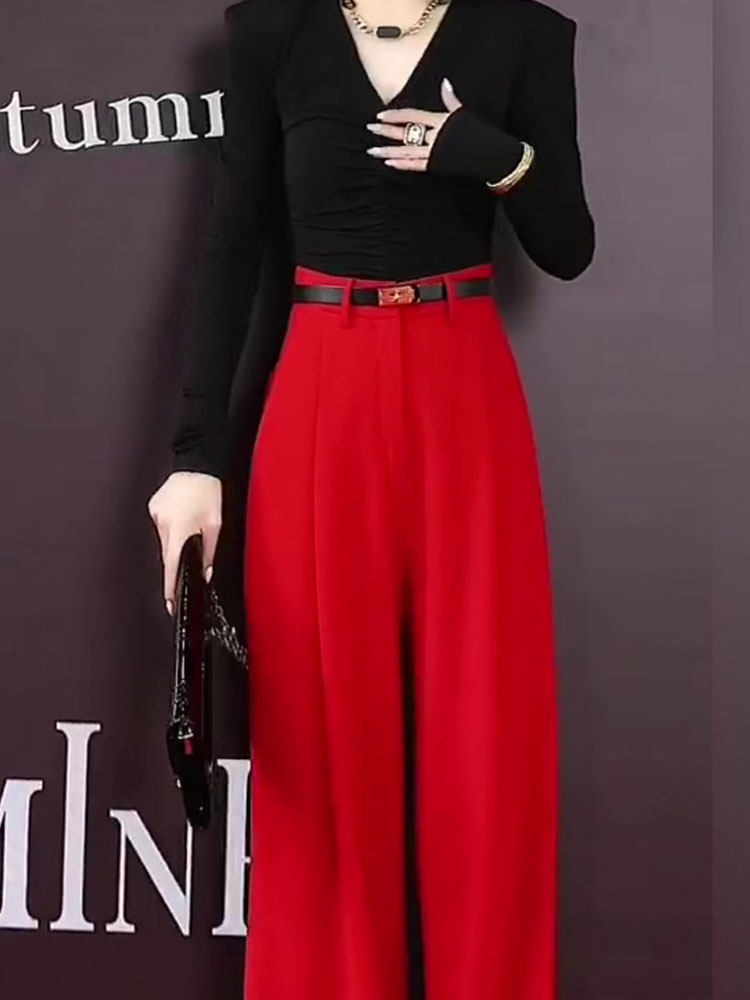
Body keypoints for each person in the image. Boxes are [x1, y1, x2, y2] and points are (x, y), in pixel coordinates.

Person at [148, 0, 594, 995]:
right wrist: (196, 456)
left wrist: (496, 158)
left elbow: (568, 243)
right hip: (323, 388)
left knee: (490, 740)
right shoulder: (272, 30)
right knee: (320, 747)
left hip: (465, 389)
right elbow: (232, 245)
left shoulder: (524, 32)